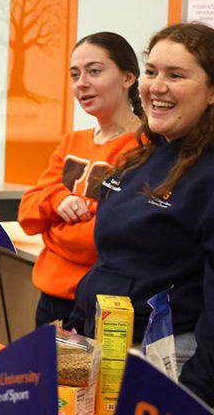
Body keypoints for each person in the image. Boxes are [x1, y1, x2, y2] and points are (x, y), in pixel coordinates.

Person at [70, 22, 214, 389]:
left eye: (176, 75)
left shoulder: (207, 174)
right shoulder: (143, 157)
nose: (157, 87)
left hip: (167, 364)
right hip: (104, 347)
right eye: (152, 72)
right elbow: (111, 260)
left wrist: (194, 396)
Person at [18, 32, 142, 329]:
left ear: (128, 78)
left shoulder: (143, 147)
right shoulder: (71, 141)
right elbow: (27, 215)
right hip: (48, 300)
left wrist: (51, 231)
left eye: (94, 71)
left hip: (96, 304)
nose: (81, 83)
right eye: (75, 75)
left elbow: (95, 243)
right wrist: (57, 199)